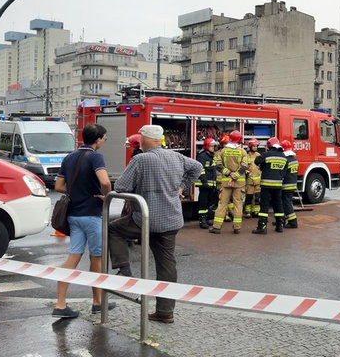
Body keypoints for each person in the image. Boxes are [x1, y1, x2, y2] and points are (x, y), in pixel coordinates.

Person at [109, 124, 202, 324]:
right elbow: (197, 167)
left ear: (144, 140)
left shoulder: (140, 159)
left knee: (114, 229)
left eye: (141, 138)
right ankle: (165, 311)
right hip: (171, 219)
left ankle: (123, 268)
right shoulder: (176, 156)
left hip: (145, 218)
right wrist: (181, 187)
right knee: (166, 263)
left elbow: (122, 186)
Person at [52, 123, 113, 319]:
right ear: (97, 139)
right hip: (92, 214)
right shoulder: (96, 156)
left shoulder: (70, 157)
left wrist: (77, 190)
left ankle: (60, 303)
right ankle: (98, 301)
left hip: (73, 214)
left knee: (73, 256)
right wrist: (106, 196)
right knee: (97, 257)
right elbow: (104, 181)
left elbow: (59, 186)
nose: (104, 141)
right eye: (104, 138)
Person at [211, 130, 251, 234]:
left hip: (225, 182)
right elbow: (244, 166)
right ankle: (237, 227)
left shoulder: (223, 151)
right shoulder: (242, 152)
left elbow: (218, 165)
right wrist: (235, 176)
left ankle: (216, 227)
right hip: (239, 183)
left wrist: (229, 174)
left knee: (222, 204)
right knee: (238, 204)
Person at [253, 137, 287, 234]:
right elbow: (285, 171)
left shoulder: (266, 154)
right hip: (278, 186)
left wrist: (264, 166)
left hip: (266, 186)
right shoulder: (283, 156)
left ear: (269, 145)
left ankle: (262, 227)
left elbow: (256, 161)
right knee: (278, 205)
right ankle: (280, 226)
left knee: (264, 206)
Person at [195, 137, 218, 229]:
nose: (213, 147)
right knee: (203, 202)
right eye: (211, 146)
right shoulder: (202, 156)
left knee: (209, 202)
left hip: (211, 184)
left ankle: (206, 218)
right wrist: (204, 181)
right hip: (204, 184)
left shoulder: (211, 155)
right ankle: (202, 220)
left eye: (214, 146)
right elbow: (200, 169)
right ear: (207, 146)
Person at [280, 139, 299, 229]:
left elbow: (282, 173)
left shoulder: (285, 160)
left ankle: (293, 222)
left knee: (286, 203)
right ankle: (281, 219)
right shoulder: (294, 159)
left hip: (286, 185)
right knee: (285, 203)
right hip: (292, 184)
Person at [243, 138, 261, 219]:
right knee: (249, 197)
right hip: (249, 181)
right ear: (250, 146)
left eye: (256, 146)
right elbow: (244, 166)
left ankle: (256, 211)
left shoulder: (258, 155)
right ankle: (248, 212)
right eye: (254, 146)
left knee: (257, 197)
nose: (255, 147)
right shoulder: (246, 155)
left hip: (258, 181)